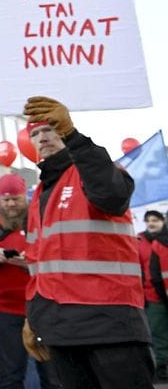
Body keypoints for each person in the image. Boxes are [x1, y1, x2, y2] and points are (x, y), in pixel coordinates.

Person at [21, 96, 152, 388]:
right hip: (61, 328)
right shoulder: (40, 194)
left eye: (49, 129)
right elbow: (37, 266)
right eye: (35, 133)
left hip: (111, 325)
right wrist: (34, 318)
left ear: (64, 131)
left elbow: (111, 196)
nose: (42, 137)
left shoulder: (96, 170)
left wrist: (75, 137)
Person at [0, 173, 58, 389]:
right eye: (5, 200)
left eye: (15, 199)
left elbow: (60, 254)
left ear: (24, 197)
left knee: (52, 375)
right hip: (6, 310)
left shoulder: (41, 217)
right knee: (10, 375)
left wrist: (32, 264)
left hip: (43, 306)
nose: (10, 204)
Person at [138, 210, 168, 381]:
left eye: (155, 220)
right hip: (153, 296)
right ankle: (162, 369)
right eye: (148, 220)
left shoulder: (161, 242)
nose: (151, 223)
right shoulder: (140, 241)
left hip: (161, 294)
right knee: (158, 335)